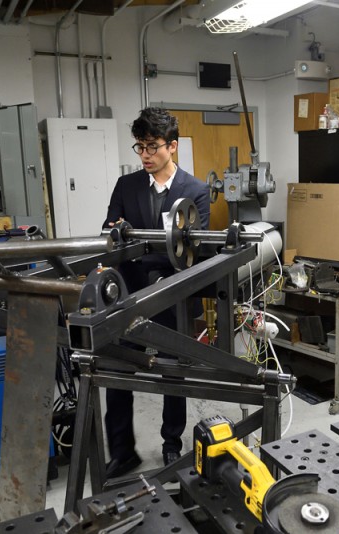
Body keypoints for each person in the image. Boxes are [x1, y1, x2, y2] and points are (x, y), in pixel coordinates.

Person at [102, 107, 210, 478]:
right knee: (116, 368)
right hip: (130, 295)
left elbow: (198, 252)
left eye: (152, 146)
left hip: (173, 295)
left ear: (173, 147)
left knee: (172, 373)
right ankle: (122, 451)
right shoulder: (126, 186)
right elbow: (110, 232)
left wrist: (153, 263)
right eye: (140, 147)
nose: (145, 155)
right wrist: (120, 234)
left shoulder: (196, 191)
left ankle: (171, 444)